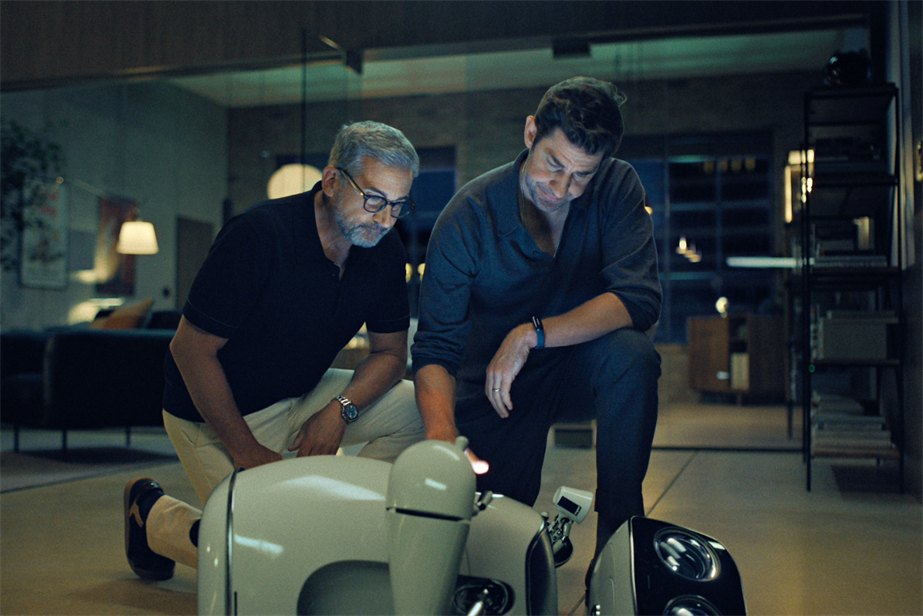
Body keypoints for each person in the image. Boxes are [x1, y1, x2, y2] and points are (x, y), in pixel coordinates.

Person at [124, 121, 425, 581]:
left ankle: (344, 523)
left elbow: (390, 354)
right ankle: (153, 518)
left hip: (303, 396)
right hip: (216, 411)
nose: (385, 219)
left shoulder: (383, 251)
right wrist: (246, 449)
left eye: (398, 206)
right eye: (374, 200)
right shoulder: (258, 235)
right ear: (330, 181)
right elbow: (190, 351)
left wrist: (339, 411)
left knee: (416, 407)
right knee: (272, 561)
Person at [411, 77, 662, 578]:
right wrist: (441, 437)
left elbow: (638, 298)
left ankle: (617, 551)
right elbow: (436, 347)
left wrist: (531, 333)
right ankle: (533, 539)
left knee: (632, 356)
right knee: (492, 548)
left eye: (581, 176)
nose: (562, 188)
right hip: (494, 387)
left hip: (579, 369)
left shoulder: (618, 185)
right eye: (554, 164)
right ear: (530, 133)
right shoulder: (468, 216)